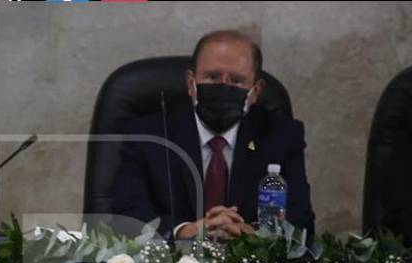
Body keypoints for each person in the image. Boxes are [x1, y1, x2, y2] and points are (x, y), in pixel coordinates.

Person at [111, 30, 315, 240]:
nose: (223, 87)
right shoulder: (148, 134)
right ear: (191, 83)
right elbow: (126, 215)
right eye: (212, 77)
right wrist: (186, 231)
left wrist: (250, 234)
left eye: (236, 81)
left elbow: (301, 223)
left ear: (255, 91)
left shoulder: (280, 136)